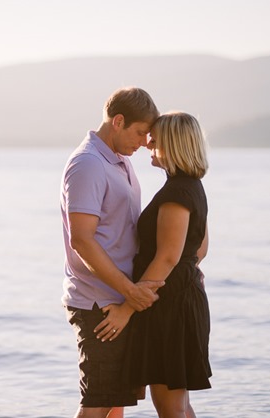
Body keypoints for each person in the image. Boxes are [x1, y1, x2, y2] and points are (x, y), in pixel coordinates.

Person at [96, 112, 211, 418]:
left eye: (156, 141)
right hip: (179, 300)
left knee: (170, 406)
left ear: (172, 145)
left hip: (170, 307)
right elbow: (200, 249)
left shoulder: (177, 193)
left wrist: (126, 309)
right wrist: (187, 277)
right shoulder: (191, 186)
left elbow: (167, 257)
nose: (148, 145)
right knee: (178, 404)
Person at [60, 87, 164, 418]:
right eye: (139, 132)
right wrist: (129, 292)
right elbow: (83, 240)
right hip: (97, 303)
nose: (145, 141)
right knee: (98, 402)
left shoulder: (119, 160)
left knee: (116, 401)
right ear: (118, 121)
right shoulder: (88, 164)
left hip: (118, 300)